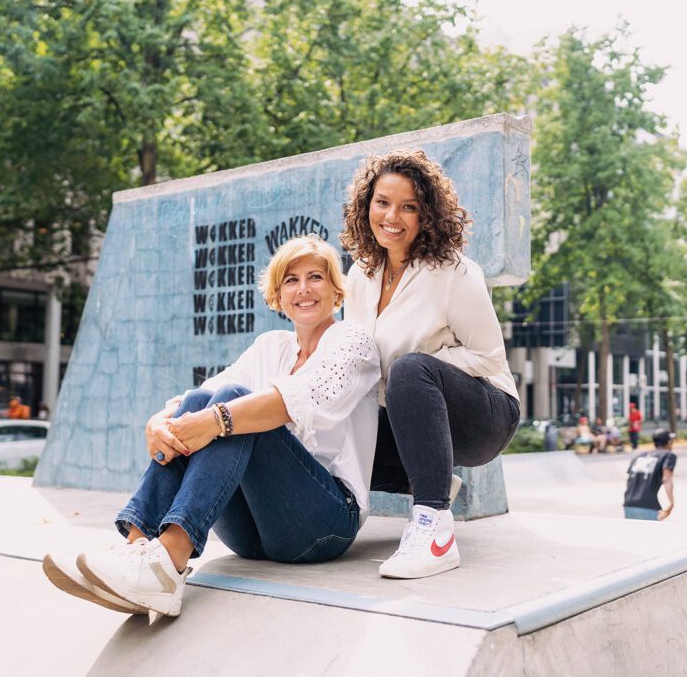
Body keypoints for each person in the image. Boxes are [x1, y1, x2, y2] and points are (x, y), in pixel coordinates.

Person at [42, 235, 380, 616]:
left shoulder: (352, 341)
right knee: (207, 401)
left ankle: (167, 566)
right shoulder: (272, 346)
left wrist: (217, 419)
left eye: (315, 277)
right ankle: (136, 553)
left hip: (325, 523)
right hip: (253, 532)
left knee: (232, 405)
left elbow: (299, 399)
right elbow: (202, 395)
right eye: (291, 280)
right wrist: (159, 422)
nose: (303, 289)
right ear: (278, 294)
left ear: (336, 289)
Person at [340, 149, 520, 579]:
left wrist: (417, 370)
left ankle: (435, 529)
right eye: (383, 202)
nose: (392, 217)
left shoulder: (453, 272)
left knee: (409, 370)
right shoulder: (360, 275)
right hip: (409, 416)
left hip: (484, 413)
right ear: (366, 206)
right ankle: (426, 477)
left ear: (427, 214)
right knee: (335, 424)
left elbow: (488, 357)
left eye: (408, 207)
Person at [623, 428, 676, 521]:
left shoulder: (639, 456)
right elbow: (666, 479)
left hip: (628, 504)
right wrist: (671, 503)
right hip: (648, 506)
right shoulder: (668, 455)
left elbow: (629, 481)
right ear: (668, 442)